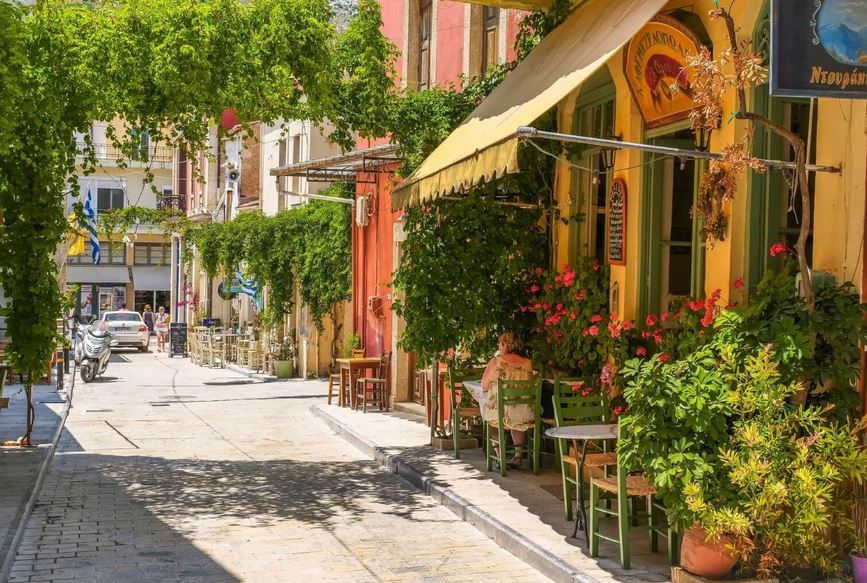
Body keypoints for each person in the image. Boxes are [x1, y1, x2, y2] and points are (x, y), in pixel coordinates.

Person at [481, 332, 535, 469]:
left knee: (492, 420)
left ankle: (500, 457)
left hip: (501, 413)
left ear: (505, 344)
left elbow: (484, 386)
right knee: (517, 414)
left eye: (500, 343)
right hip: (525, 413)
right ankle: (518, 456)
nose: (499, 346)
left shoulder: (497, 361)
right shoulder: (528, 363)